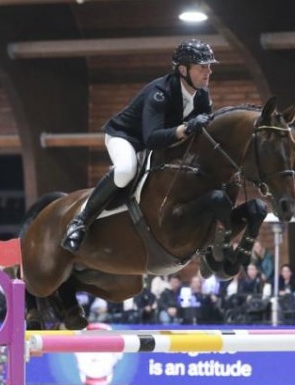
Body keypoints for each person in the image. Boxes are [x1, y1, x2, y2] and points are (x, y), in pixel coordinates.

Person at [61, 39, 217, 253]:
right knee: (126, 170)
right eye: (202, 67)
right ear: (183, 70)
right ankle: (80, 221)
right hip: (126, 137)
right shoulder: (160, 92)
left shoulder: (202, 95)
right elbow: (151, 138)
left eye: (209, 66)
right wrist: (186, 128)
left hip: (160, 142)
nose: (209, 71)